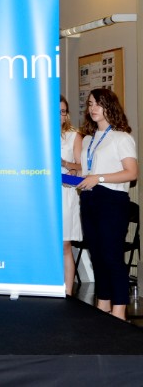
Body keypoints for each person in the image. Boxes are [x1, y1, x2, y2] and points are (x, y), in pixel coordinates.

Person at [76, 88, 138, 320]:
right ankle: (102, 305)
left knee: (112, 256)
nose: (93, 108)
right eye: (90, 104)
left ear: (109, 106)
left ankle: (119, 310)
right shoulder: (88, 139)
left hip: (111, 200)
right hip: (89, 199)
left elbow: (131, 173)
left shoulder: (122, 137)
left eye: (98, 104)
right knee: (97, 255)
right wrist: (74, 175)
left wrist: (99, 178)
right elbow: (89, 171)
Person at [59, 95, 83, 295]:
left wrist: (65, 164)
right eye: (56, 111)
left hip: (65, 193)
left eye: (63, 112)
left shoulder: (74, 136)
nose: (60, 116)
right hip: (42, 195)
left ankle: (67, 293)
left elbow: (82, 167)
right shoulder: (38, 133)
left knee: (64, 244)